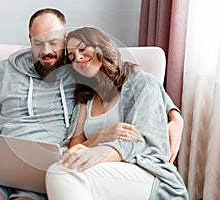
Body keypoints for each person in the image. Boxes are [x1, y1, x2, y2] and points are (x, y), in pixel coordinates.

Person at [0, 8, 183, 200]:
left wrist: (174, 114)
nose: (46, 51)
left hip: (43, 169)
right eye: (38, 43)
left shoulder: (78, 72)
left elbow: (129, 77)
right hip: (1, 161)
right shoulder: (4, 71)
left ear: (64, 40)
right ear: (29, 39)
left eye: (53, 42)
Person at [45, 27, 189, 199]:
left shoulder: (141, 83)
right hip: (101, 171)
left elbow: (141, 141)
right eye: (72, 57)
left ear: (100, 47)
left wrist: (100, 152)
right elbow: (74, 148)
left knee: (60, 173)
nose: (78, 57)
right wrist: (101, 136)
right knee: (60, 170)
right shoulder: (85, 97)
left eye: (82, 49)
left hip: (144, 172)